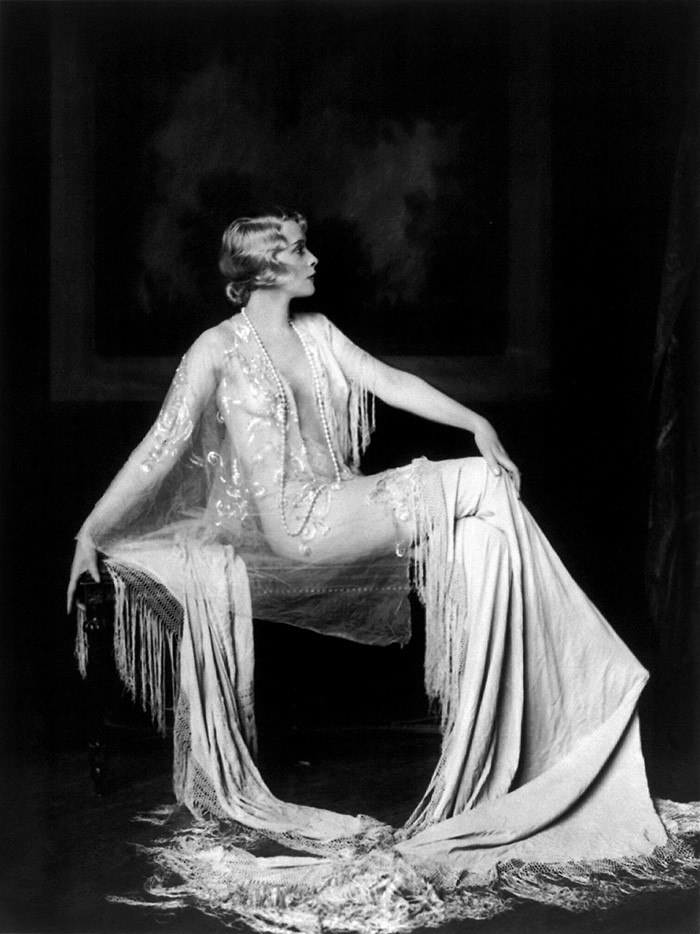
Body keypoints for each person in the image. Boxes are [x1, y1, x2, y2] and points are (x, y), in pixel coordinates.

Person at [66, 209, 695, 930]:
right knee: (487, 487)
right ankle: (594, 679)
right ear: (264, 270)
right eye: (298, 250)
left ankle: (516, 742)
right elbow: (160, 446)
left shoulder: (318, 332)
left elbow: (392, 381)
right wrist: (90, 532)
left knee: (488, 535)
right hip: (302, 528)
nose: (313, 259)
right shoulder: (216, 348)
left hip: (338, 505)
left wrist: (478, 422)